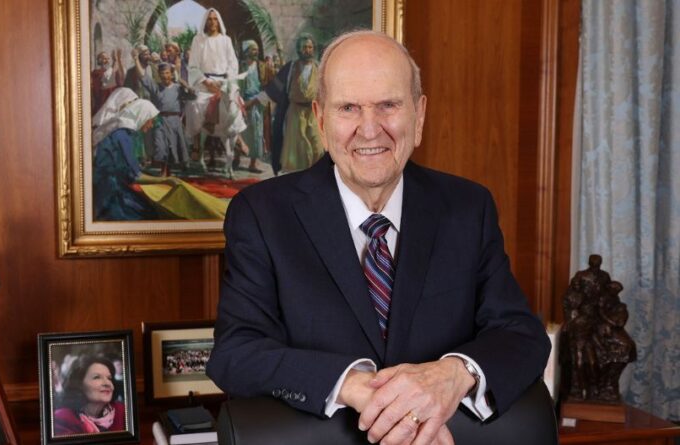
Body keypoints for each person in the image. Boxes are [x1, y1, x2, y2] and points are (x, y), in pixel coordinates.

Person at [206, 30, 550, 445]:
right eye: (348, 108)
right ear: (320, 119)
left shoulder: (467, 207)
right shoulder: (262, 214)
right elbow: (236, 354)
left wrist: (451, 375)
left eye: (389, 105)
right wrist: (356, 387)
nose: (370, 130)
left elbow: (522, 335)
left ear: (419, 115)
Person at [184, 8, 247, 178]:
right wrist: (206, 82)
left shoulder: (226, 40)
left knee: (237, 103)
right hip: (205, 84)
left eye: (215, 19)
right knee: (196, 106)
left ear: (219, 21)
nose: (212, 22)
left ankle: (238, 134)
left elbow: (233, 64)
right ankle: (196, 145)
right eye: (209, 19)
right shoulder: (198, 40)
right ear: (205, 22)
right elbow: (193, 66)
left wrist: (225, 81)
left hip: (223, 82)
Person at [91, 91, 163, 220]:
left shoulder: (124, 132)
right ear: (142, 116)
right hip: (110, 192)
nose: (151, 125)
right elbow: (134, 175)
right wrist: (166, 181)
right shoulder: (122, 135)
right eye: (150, 121)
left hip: (113, 185)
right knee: (148, 213)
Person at [263, 34, 324, 174]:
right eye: (304, 47)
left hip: (313, 113)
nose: (307, 50)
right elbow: (275, 89)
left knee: (317, 146)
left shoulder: (319, 68)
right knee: (297, 150)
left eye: (310, 47)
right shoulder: (291, 68)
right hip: (295, 113)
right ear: (299, 49)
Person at [140, 63, 196, 177]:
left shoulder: (177, 88)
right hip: (160, 120)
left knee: (173, 145)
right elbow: (143, 77)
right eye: (162, 73)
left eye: (167, 73)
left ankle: (169, 169)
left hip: (174, 120)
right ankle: (163, 170)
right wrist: (136, 59)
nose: (165, 76)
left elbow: (192, 95)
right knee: (160, 145)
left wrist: (184, 84)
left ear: (171, 74)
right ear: (159, 75)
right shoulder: (156, 88)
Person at [53, 356, 126, 435]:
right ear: (79, 384)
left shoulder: (122, 411)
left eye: (109, 378)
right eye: (97, 377)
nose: (107, 383)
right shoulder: (62, 418)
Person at [237, 40, 271, 174]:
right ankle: (236, 158)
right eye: (253, 49)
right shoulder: (240, 66)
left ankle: (252, 163)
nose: (256, 52)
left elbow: (268, 88)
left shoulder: (262, 67)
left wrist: (253, 102)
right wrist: (241, 103)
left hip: (256, 103)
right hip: (241, 103)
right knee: (239, 131)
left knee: (256, 133)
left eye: (257, 49)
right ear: (246, 51)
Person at [91, 50, 125, 115]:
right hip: (102, 103)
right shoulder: (96, 73)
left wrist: (119, 60)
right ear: (99, 60)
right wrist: (114, 63)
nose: (107, 60)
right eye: (104, 58)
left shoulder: (112, 71)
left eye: (108, 58)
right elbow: (105, 81)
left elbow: (121, 81)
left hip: (113, 103)